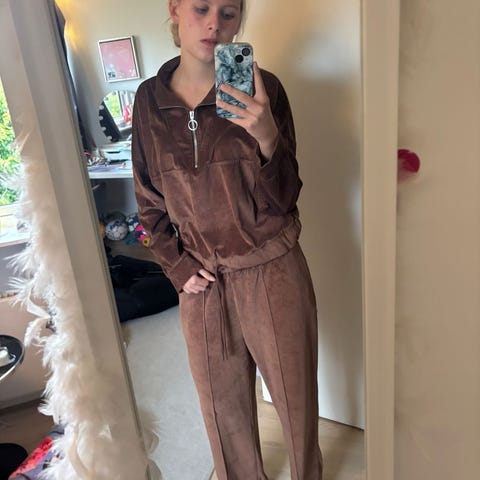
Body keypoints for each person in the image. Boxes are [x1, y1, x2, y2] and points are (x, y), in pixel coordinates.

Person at [131, 1, 323, 478]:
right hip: (201, 280)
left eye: (229, 12)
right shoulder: (149, 101)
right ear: (175, 9)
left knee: (295, 397)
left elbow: (286, 197)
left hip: (271, 268)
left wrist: (267, 137)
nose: (214, 23)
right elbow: (148, 200)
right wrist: (177, 266)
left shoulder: (264, 88)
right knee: (221, 407)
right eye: (201, 8)